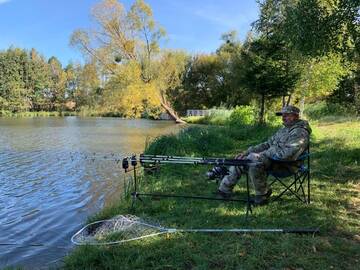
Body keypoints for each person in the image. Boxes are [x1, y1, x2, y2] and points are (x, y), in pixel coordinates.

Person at [213, 105, 312, 205]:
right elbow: (267, 144)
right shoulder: (284, 130)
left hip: (287, 165)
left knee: (253, 160)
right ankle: (224, 190)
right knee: (243, 159)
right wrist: (247, 152)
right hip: (273, 161)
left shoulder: (300, 132)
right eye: (282, 115)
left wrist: (262, 154)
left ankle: (262, 196)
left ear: (295, 116)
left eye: (286, 115)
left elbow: (289, 155)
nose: (283, 117)